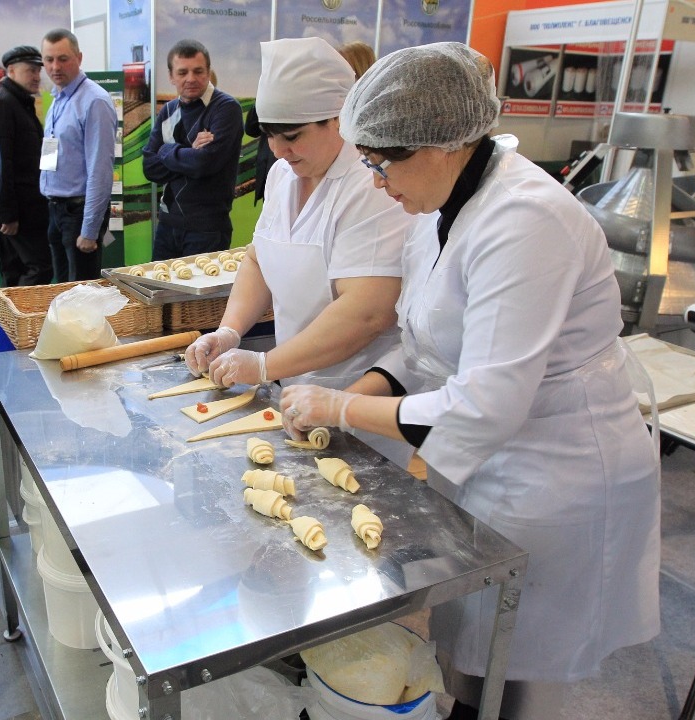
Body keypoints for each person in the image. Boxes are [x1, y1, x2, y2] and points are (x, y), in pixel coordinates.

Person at [279, 43, 661, 720]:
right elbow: (428, 344)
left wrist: (338, 405)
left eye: (383, 162)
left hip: (556, 467)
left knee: (519, 666)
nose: (375, 181)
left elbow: (486, 402)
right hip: (492, 458)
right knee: (470, 651)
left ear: (446, 142)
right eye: (367, 162)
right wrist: (357, 397)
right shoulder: (440, 209)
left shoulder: (525, 221)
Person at [185, 37, 411, 421]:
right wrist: (229, 332)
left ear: (338, 119)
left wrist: (264, 365)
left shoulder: (370, 185)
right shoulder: (282, 175)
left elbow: (368, 312)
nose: (277, 150)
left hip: (357, 398)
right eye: (270, 135)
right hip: (292, 388)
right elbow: (259, 260)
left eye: (292, 137)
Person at [142, 40, 244, 260]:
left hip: (207, 229)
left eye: (198, 71)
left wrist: (165, 151)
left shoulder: (226, 108)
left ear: (208, 72)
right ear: (171, 76)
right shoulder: (168, 110)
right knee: (158, 282)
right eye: (182, 72)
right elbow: (149, 167)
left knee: (200, 285)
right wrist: (190, 152)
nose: (191, 78)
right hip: (167, 226)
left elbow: (204, 163)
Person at [39, 28, 115, 282]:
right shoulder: (58, 98)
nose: (55, 67)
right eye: (49, 59)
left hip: (79, 213)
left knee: (81, 293)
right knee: (61, 290)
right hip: (56, 209)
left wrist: (90, 230)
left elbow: (100, 171)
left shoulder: (95, 101)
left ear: (79, 58)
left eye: (63, 59)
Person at [0, 44, 53, 285]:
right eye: (30, 70)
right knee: (40, 267)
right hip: (19, 212)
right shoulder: (3, 104)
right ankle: (22, 309)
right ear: (11, 71)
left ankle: (13, 309)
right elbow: (1, 163)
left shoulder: (19, 102)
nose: (37, 76)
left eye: (38, 71)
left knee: (15, 268)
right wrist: (7, 214)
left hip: (26, 208)